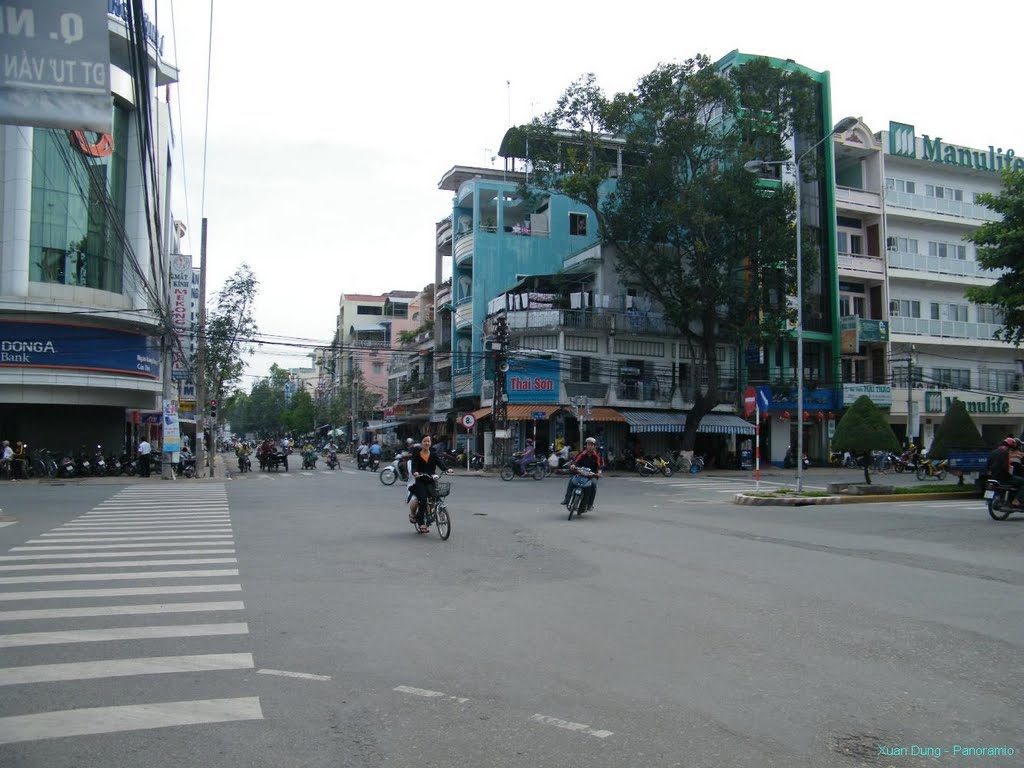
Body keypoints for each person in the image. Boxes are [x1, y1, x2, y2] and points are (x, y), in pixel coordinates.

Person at [407, 435, 453, 533]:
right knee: (423, 500)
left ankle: (434, 513)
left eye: (429, 441)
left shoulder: (433, 454)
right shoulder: (417, 454)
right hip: (420, 480)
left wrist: (446, 469)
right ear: (421, 443)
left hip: (431, 480)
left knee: (436, 497)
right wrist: (415, 472)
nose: (427, 443)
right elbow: (414, 466)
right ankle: (421, 523)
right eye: (425, 441)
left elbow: (440, 463)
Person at [560, 437, 603, 511]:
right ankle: (567, 499)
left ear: (595, 446)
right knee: (571, 481)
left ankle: (589, 504)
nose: (590, 446)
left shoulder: (597, 456)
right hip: (580, 472)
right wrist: (573, 466)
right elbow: (575, 462)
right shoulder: (582, 454)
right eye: (588, 444)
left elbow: (600, 467)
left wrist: (599, 473)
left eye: (592, 445)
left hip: (591, 475)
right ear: (586, 445)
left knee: (593, 485)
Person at [987, 437, 1024, 506]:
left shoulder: (994, 452)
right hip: (1004, 477)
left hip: (994, 477)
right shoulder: (1006, 453)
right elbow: (1006, 466)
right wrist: (1009, 474)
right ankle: (1016, 500)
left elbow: (988, 465)